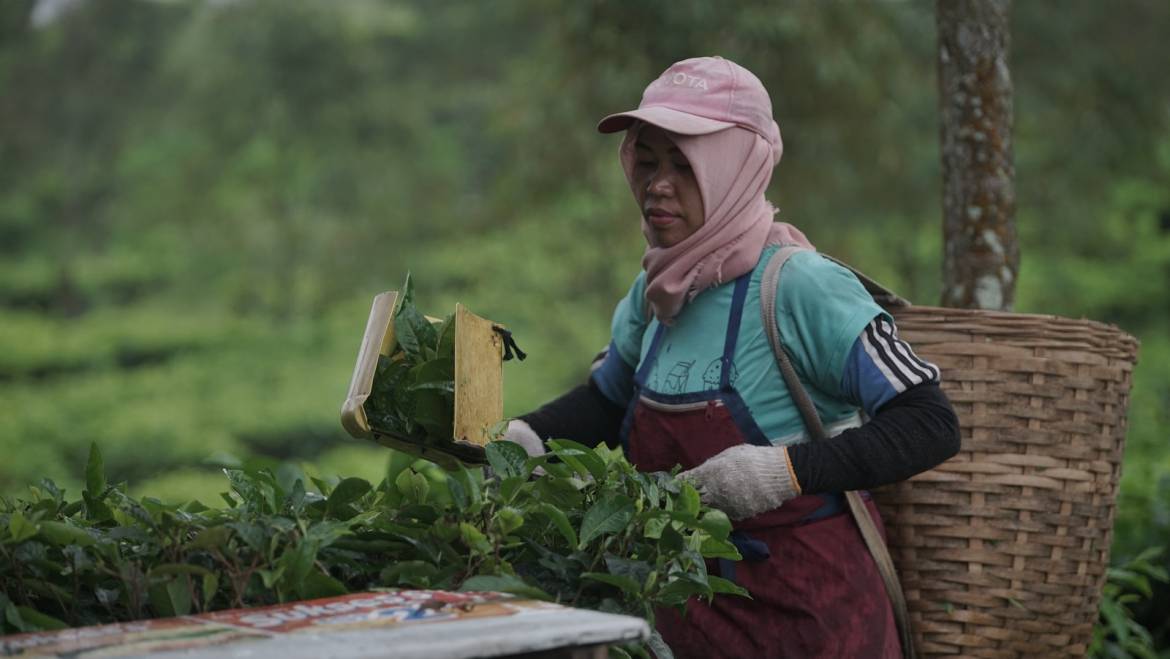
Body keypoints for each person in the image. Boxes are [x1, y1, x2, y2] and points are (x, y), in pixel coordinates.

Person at [505, 56, 961, 659]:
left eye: (684, 164)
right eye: (647, 160)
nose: (657, 184)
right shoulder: (656, 292)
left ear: (735, 168)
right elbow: (607, 400)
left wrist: (782, 472)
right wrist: (523, 439)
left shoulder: (800, 288)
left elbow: (930, 424)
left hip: (816, 622)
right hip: (689, 620)